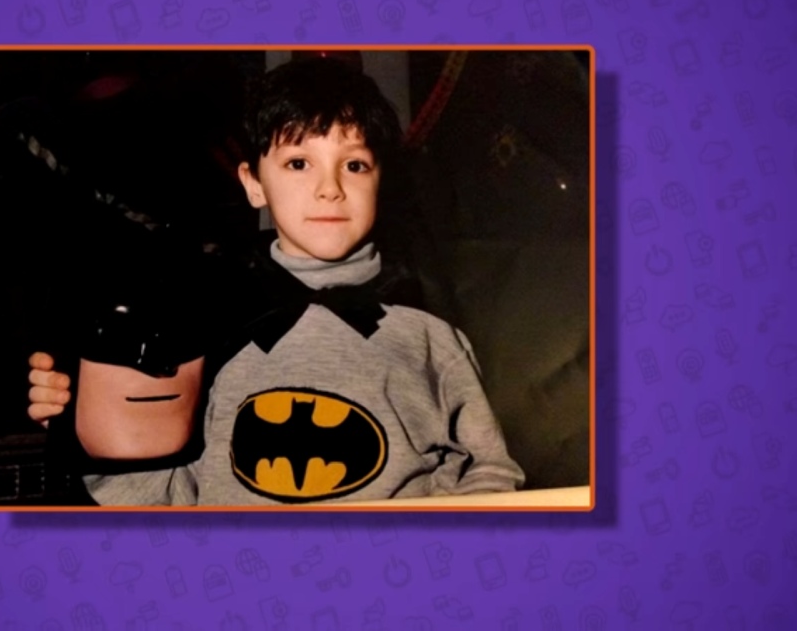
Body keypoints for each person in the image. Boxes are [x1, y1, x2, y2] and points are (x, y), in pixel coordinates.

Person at [27, 56, 525, 505]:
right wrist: (88, 427)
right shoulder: (203, 329)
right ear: (254, 184)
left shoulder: (432, 335)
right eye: (298, 163)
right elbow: (165, 495)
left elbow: (489, 474)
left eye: (354, 164)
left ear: (382, 180)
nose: (329, 189)